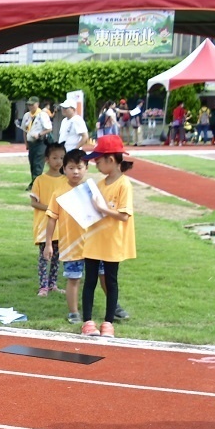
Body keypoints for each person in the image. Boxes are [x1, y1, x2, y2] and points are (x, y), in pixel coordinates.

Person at [76, 135, 136, 337]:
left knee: (110, 281)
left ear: (111, 160)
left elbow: (124, 215)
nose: (95, 164)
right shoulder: (99, 184)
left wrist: (102, 209)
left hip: (112, 241)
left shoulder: (124, 184)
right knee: (90, 280)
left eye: (98, 161)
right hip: (94, 238)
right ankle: (87, 321)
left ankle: (108, 322)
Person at [42, 148, 92, 324]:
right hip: (71, 245)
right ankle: (73, 312)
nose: (76, 172)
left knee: (99, 279)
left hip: (94, 245)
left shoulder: (91, 190)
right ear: (64, 169)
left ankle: (110, 307)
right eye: (71, 168)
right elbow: (51, 219)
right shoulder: (59, 192)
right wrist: (48, 243)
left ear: (86, 167)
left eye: (79, 167)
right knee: (73, 279)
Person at [28, 143, 66, 297]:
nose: (58, 161)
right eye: (55, 158)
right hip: (44, 225)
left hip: (60, 226)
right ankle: (43, 286)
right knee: (45, 257)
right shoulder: (40, 180)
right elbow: (34, 202)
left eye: (62, 158)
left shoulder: (65, 180)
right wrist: (51, 209)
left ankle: (52, 284)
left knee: (56, 258)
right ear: (47, 160)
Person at [20, 96, 52, 187]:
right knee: (32, 163)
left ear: (37, 104)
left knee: (38, 164)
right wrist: (26, 143)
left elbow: (49, 129)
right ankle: (35, 181)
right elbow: (25, 131)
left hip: (40, 142)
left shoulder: (42, 115)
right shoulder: (27, 115)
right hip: (31, 143)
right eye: (29, 105)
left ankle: (35, 184)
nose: (30, 106)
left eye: (32, 104)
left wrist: (40, 134)